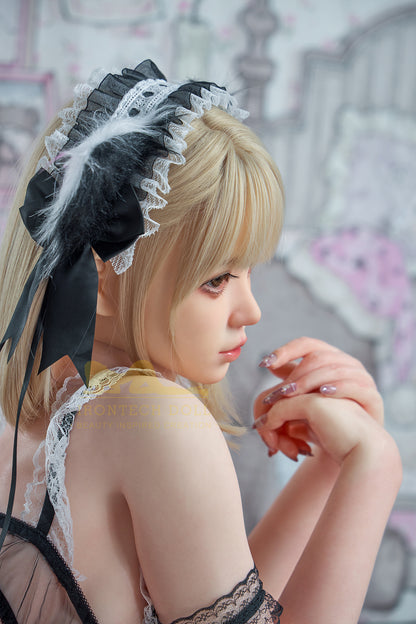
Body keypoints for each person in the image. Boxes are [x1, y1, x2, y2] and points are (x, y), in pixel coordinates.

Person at [0, 59, 401, 624]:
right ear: (102, 279)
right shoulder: (152, 415)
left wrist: (327, 467)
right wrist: (374, 464)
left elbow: (218, 604)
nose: (252, 311)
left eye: (249, 272)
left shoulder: (34, 423)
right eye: (216, 280)